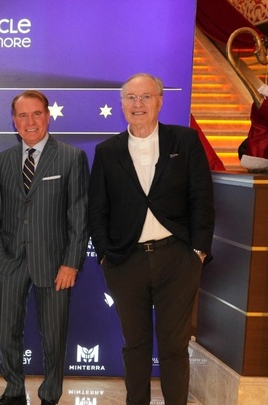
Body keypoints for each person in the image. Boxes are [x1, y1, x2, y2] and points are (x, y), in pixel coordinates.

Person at [87, 73, 214, 405]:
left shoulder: (184, 141)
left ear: (159, 101)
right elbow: (97, 209)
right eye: (131, 97)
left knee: (174, 346)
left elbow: (202, 198)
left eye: (145, 97)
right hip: (125, 261)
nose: (138, 104)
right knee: (135, 345)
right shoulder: (107, 151)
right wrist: (105, 256)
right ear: (122, 105)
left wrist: (198, 251)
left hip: (178, 259)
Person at [0, 90, 89, 405]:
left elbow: (79, 217)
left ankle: (50, 395)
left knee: (54, 335)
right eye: (23, 115)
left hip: (55, 264)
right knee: (8, 332)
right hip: (10, 261)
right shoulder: (2, 160)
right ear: (14, 121)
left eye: (36, 114)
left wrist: (71, 263)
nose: (30, 121)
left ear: (47, 116)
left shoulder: (71, 157)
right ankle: (13, 389)